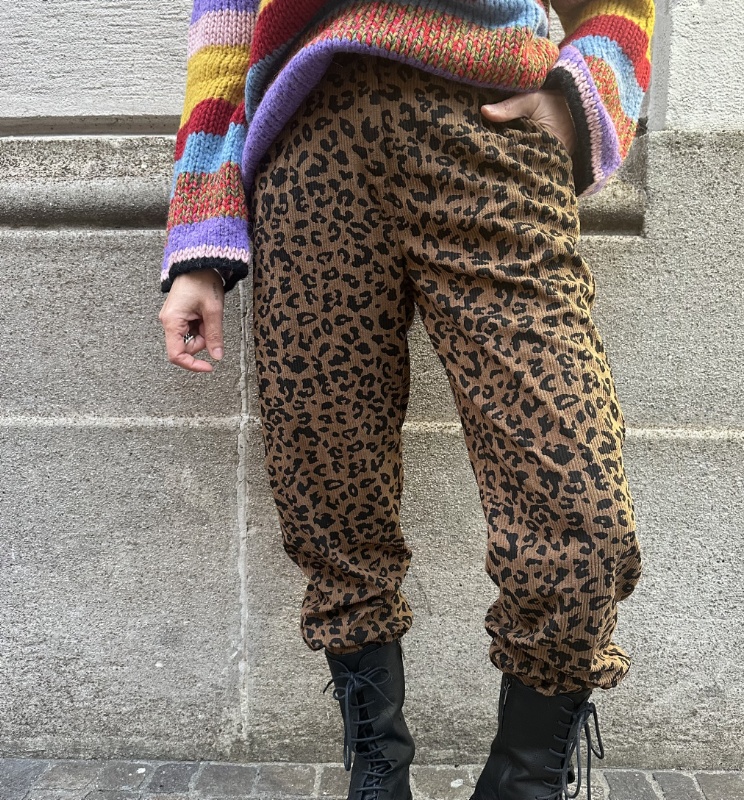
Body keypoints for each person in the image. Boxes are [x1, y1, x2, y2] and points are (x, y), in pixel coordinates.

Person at [158, 2, 655, 799]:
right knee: (326, 494)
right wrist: (199, 240)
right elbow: (226, 27)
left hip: (487, 134)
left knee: (580, 511)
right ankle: (378, 771)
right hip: (310, 144)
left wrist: (578, 96)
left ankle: (524, 781)